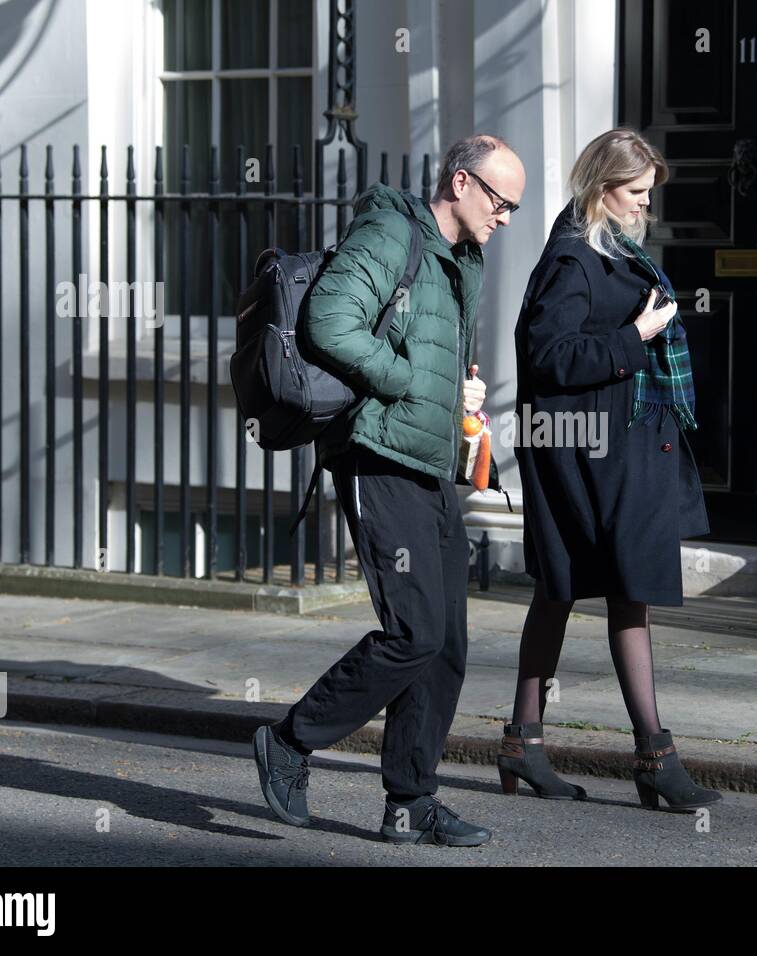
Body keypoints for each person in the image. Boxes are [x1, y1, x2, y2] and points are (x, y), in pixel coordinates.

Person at [253, 134, 526, 846]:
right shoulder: (389, 231)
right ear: (462, 183)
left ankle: (411, 801)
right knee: (413, 633)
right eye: (501, 201)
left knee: (448, 645)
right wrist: (406, 381)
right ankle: (290, 740)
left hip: (428, 461)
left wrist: (454, 391)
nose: (505, 217)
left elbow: (421, 340)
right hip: (377, 455)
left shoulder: (461, 258)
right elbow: (328, 321)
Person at [502, 128, 720, 812]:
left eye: (649, 196)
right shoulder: (572, 258)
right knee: (599, 589)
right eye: (634, 194)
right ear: (602, 189)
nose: (643, 209)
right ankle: (651, 755)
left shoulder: (613, 249)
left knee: (595, 590)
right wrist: (638, 337)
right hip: (589, 456)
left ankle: (526, 743)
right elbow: (549, 357)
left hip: (622, 450)